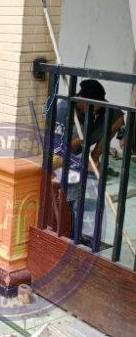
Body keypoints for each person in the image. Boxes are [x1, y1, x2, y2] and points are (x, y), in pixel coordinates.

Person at [54, 79, 124, 237]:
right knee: (73, 190)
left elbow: (118, 115)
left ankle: (90, 161)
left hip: (83, 147)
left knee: (116, 117)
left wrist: (123, 134)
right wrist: (81, 143)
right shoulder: (64, 110)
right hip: (65, 152)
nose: (98, 109)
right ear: (83, 102)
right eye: (96, 105)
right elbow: (57, 150)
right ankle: (70, 228)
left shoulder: (96, 110)